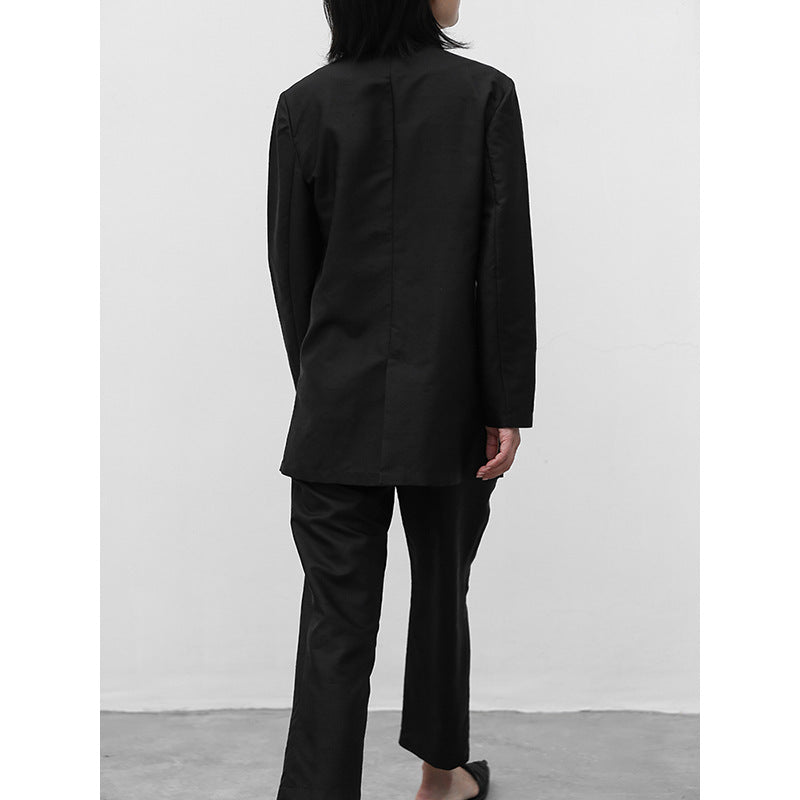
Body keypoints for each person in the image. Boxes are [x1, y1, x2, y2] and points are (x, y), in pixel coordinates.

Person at [266, 1, 536, 798]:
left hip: (335, 406)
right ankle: (440, 780)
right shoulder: (484, 95)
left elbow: (293, 274)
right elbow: (503, 262)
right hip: (451, 403)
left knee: (334, 620)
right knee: (442, 592)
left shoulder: (304, 105)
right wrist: (505, 401)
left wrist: (325, 386)